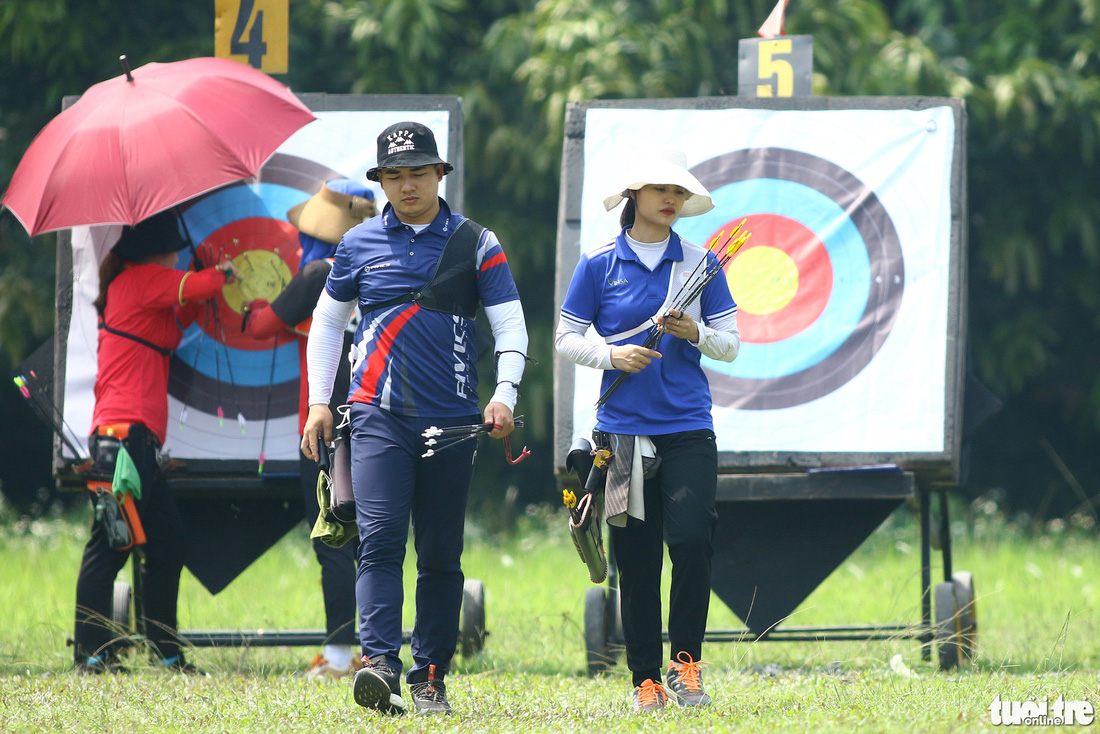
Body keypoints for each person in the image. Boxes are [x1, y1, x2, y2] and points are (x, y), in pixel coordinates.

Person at [301, 121, 529, 715]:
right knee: (377, 543)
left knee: (440, 553)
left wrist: (504, 392)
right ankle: (379, 666)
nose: (407, 186)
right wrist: (320, 402)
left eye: (418, 173)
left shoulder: (477, 243)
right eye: (394, 176)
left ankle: (429, 675)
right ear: (380, 182)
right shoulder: (355, 244)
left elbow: (509, 326)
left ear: (439, 175)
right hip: (375, 416)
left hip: (452, 421)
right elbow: (327, 325)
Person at [555, 149, 740, 711]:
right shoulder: (598, 262)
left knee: (691, 542)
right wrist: (612, 357)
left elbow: (730, 345)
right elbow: (566, 337)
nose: (671, 200)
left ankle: (688, 668)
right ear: (633, 195)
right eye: (660, 190)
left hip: (687, 428)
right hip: (620, 437)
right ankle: (645, 679)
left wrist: (694, 333)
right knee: (635, 561)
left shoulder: (702, 263)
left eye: (679, 193)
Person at [75, 210, 238, 674]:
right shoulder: (141, 279)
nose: (178, 259)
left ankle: (165, 654)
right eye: (175, 252)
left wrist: (200, 283)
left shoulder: (139, 287)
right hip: (122, 442)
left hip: (134, 444)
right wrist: (222, 273)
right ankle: (91, 656)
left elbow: (177, 318)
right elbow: (197, 289)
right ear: (159, 252)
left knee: (166, 546)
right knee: (110, 547)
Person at [242, 179, 377, 679]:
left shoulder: (321, 271)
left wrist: (251, 305)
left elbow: (262, 325)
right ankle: (371, 648)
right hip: (374, 425)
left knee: (333, 541)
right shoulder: (376, 269)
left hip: (323, 432)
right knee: (369, 543)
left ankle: (340, 656)